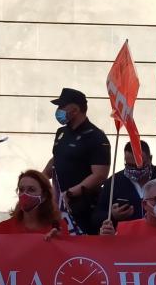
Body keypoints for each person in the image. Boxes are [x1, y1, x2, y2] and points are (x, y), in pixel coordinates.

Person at [45, 88, 109, 235]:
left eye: (62, 106)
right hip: (58, 205)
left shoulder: (96, 137)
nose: (59, 110)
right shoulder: (61, 133)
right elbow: (56, 158)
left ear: (75, 110)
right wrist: (40, 179)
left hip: (82, 205)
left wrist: (70, 193)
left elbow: (99, 175)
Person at [94, 140, 156, 230]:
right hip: (127, 238)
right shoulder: (114, 182)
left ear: (150, 158)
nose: (136, 169)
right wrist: (112, 215)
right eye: (130, 166)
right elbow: (96, 217)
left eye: (141, 165)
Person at [0, 170, 66, 239]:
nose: (24, 194)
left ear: (44, 196)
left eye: (31, 189)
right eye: (21, 190)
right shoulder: (5, 228)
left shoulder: (57, 227)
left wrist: (58, 241)